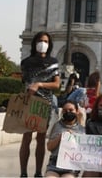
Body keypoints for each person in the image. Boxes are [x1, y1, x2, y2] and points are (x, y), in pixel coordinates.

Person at [20, 31, 60, 178]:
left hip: (45, 103)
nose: (43, 44)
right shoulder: (26, 63)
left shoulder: (53, 62)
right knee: (26, 137)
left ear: (49, 45)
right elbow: (24, 82)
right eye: (40, 40)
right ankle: (23, 172)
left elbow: (57, 84)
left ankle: (38, 172)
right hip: (29, 102)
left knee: (41, 138)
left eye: (46, 41)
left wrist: (40, 84)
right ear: (35, 43)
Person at [45, 100, 85, 177]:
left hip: (71, 166)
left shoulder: (81, 130)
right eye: (65, 110)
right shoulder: (56, 126)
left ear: (76, 111)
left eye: (71, 110)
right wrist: (60, 137)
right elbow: (49, 147)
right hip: (54, 164)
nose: (68, 112)